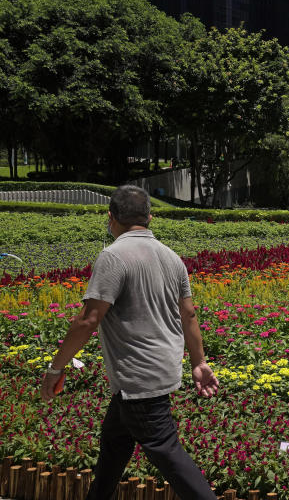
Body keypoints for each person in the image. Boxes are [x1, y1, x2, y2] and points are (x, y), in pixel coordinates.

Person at [41, 185, 220, 500]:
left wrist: (56, 368)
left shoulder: (113, 256)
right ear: (150, 217)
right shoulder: (172, 258)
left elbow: (88, 319)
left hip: (139, 378)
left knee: (167, 452)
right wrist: (199, 363)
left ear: (110, 218)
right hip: (154, 373)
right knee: (114, 444)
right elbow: (189, 314)